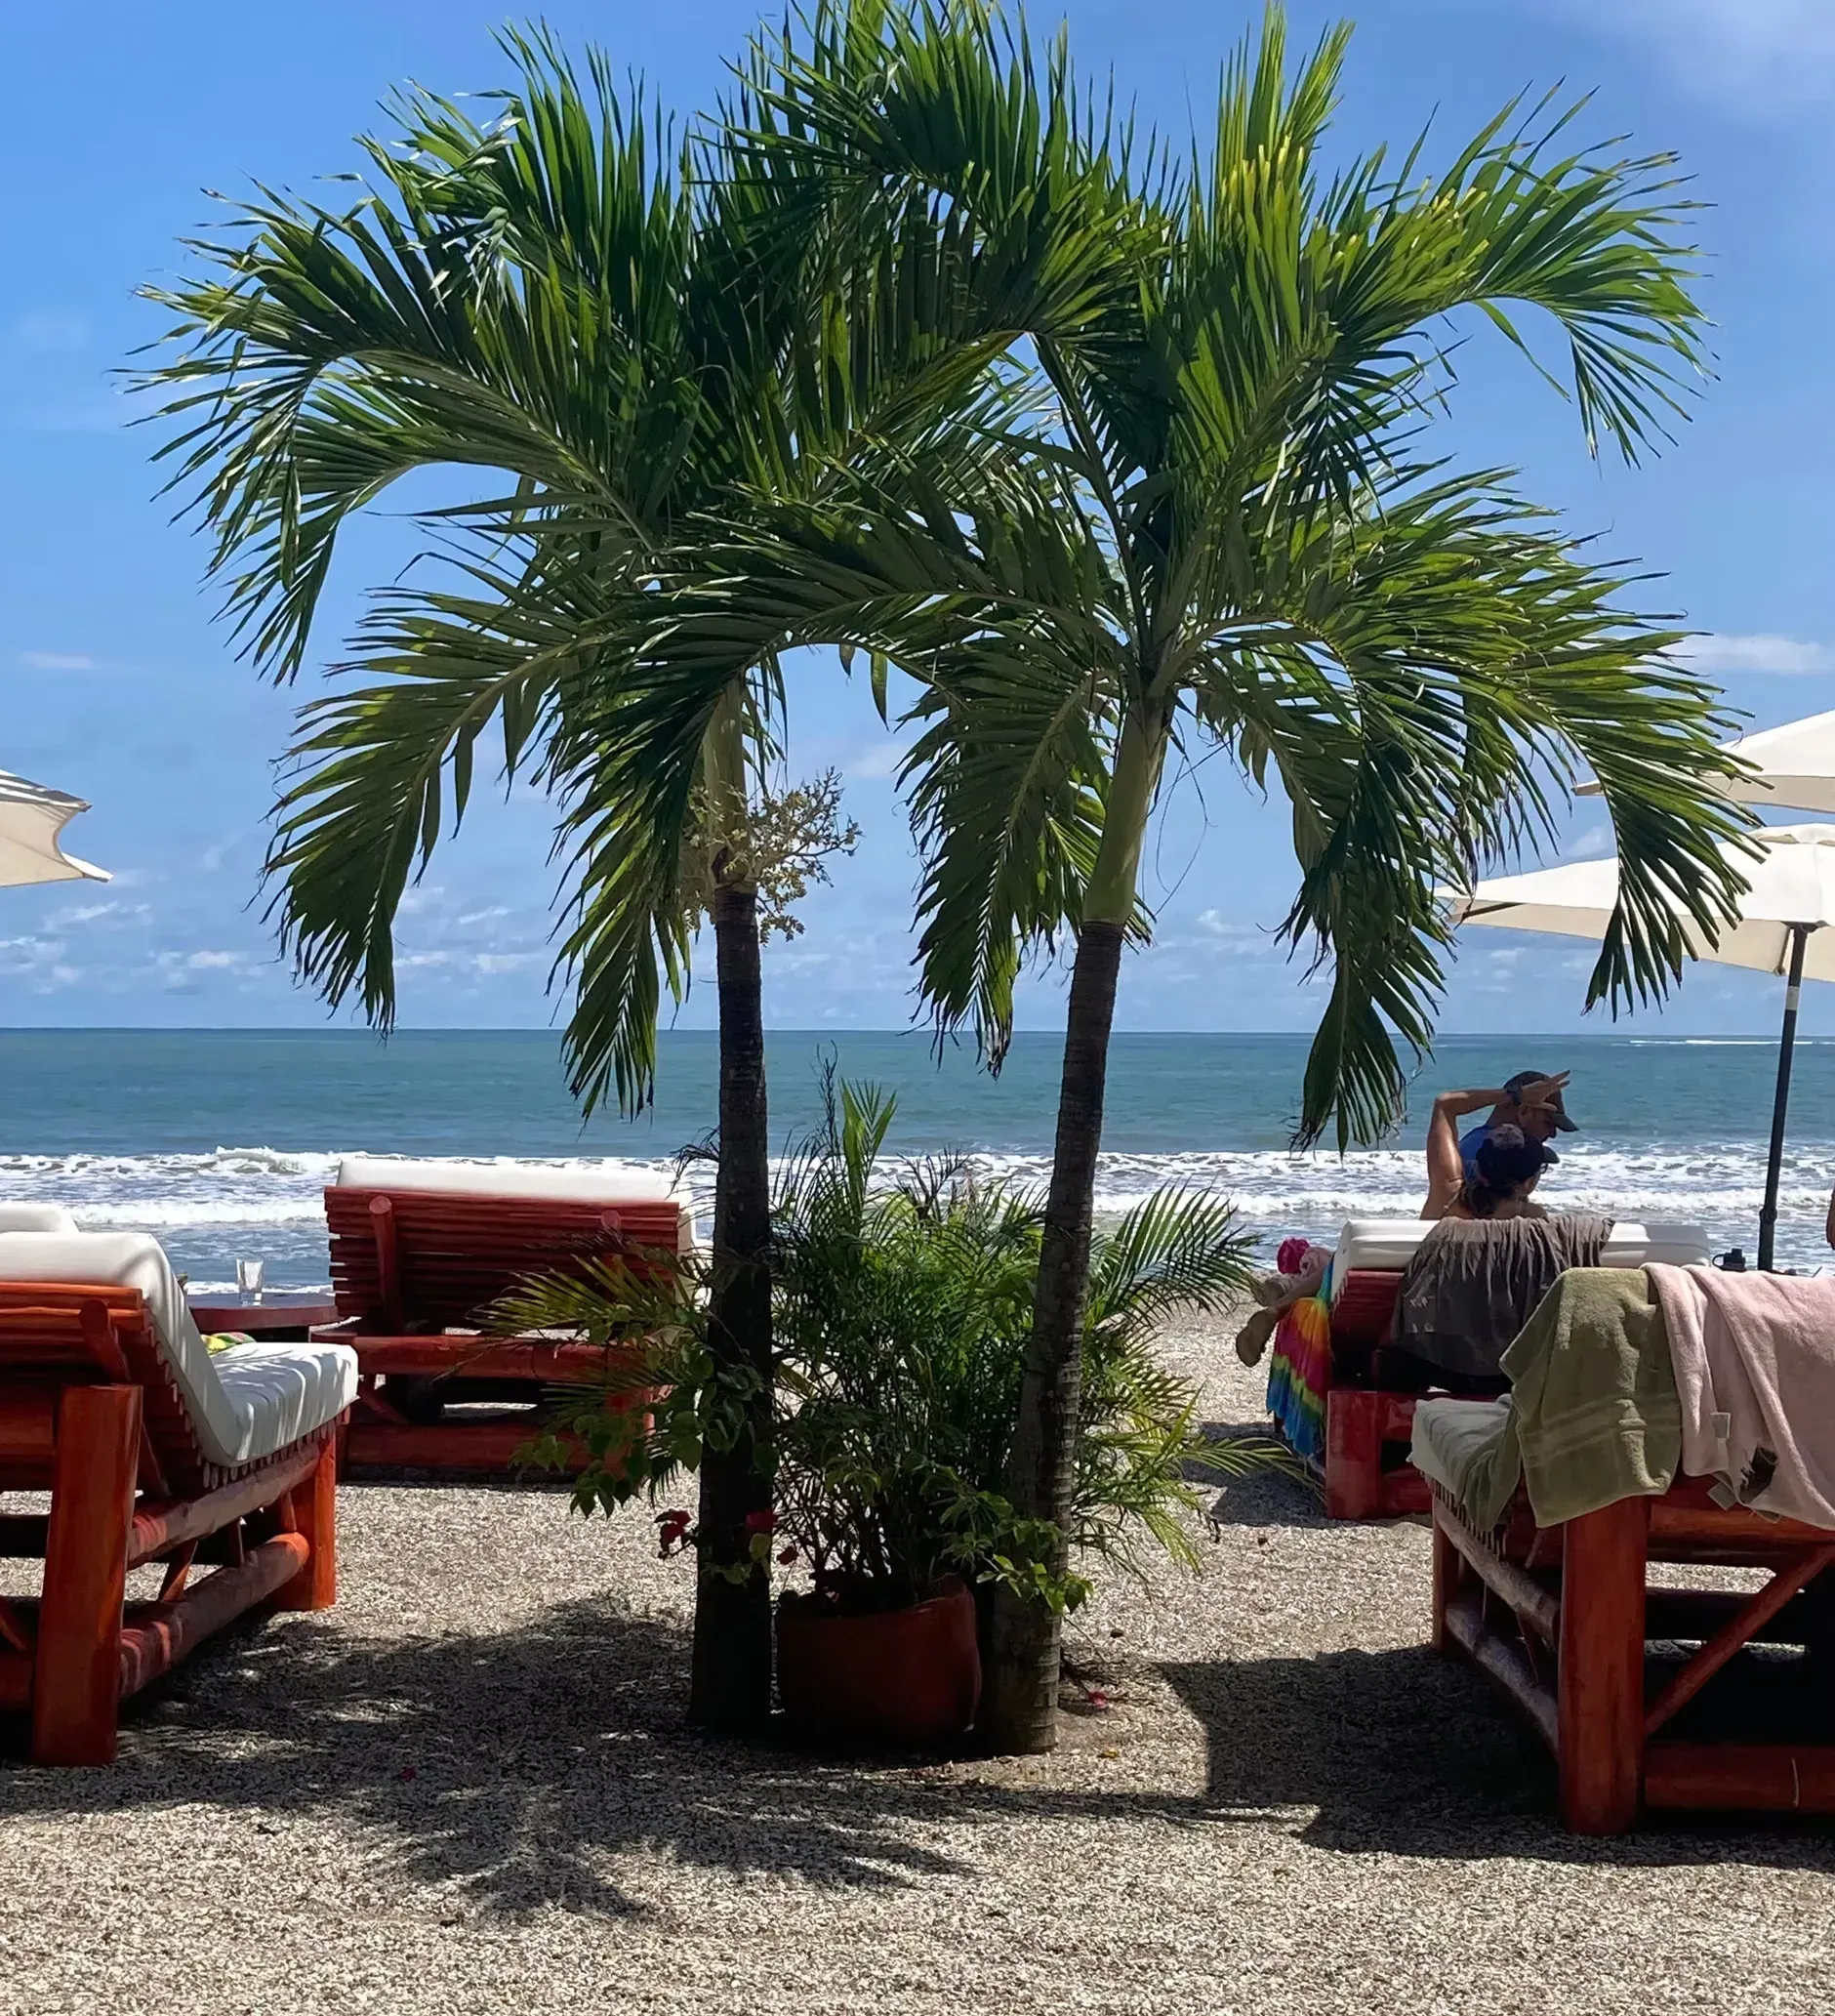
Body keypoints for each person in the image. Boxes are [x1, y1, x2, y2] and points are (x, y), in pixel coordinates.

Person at [1421, 1074, 1570, 1221]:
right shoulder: (1526, 1224)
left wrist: (1514, 1095)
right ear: (1528, 1183)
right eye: (1548, 1123)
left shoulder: (1449, 1199)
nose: (1553, 1134)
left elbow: (1445, 1105)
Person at [1458, 1067, 1577, 1178]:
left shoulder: (1472, 1147)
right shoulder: (1495, 1161)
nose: (1553, 1134)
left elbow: (1449, 1106)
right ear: (1523, 1112)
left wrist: (1511, 1095)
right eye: (1548, 1123)